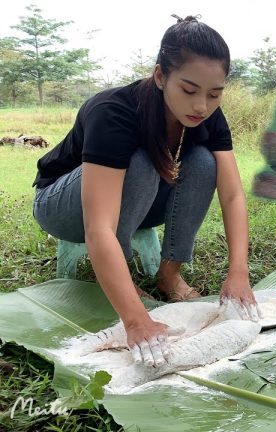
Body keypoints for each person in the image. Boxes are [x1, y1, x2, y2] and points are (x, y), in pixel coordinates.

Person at [31, 15, 259, 367]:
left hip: (137, 202)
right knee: (140, 160)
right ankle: (121, 278)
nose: (201, 106)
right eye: (188, 90)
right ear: (159, 76)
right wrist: (136, 320)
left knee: (203, 161)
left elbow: (232, 195)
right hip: (63, 207)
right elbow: (98, 227)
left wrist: (238, 272)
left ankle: (169, 273)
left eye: (214, 94)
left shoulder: (208, 115)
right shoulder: (114, 112)